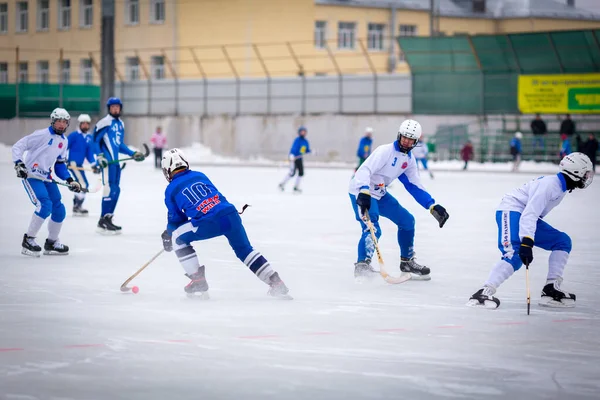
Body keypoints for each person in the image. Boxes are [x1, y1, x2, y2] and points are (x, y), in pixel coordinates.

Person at [468, 153, 594, 309]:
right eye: (585, 173)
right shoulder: (550, 185)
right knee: (514, 254)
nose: (587, 177)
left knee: (562, 241)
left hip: (525, 215)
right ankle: (484, 291)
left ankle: (551, 288)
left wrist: (528, 238)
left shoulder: (561, 187)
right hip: (511, 210)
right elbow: (531, 213)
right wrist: (527, 242)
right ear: (575, 172)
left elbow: (532, 215)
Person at [160, 148, 291, 298]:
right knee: (244, 250)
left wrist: (168, 234)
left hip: (209, 221)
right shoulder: (200, 175)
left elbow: (176, 220)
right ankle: (276, 282)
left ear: (168, 170)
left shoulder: (170, 189)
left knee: (178, 238)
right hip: (230, 214)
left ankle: (198, 279)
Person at [348, 119, 450, 280]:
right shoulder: (385, 151)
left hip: (380, 193)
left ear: (415, 142)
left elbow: (414, 186)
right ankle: (362, 265)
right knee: (372, 227)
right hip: (361, 191)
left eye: (411, 139)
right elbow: (364, 170)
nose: (406, 141)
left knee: (407, 221)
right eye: (404, 137)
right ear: (399, 135)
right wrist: (363, 191)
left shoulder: (408, 160)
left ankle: (407, 262)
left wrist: (432, 205)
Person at [12, 108, 82, 257]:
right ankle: (28, 239)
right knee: (45, 205)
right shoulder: (41, 135)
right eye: (59, 121)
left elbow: (59, 165)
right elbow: (19, 146)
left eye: (64, 122)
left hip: (46, 177)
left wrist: (70, 180)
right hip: (31, 176)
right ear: (53, 121)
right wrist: (19, 163)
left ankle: (51, 242)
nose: (61, 125)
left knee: (59, 208)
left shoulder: (64, 141)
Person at [93, 97, 146, 234]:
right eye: (113, 107)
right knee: (108, 190)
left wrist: (132, 153)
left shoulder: (121, 123)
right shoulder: (104, 122)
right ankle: (102, 220)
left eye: (118, 107)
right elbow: (95, 142)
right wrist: (99, 157)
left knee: (116, 190)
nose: (116, 109)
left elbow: (119, 145)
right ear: (109, 108)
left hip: (116, 163)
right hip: (107, 162)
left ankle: (108, 218)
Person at [67, 114, 97, 216]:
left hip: (80, 165)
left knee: (84, 185)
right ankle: (77, 206)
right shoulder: (74, 135)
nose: (85, 125)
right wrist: (62, 159)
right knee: (83, 185)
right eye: (83, 123)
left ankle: (77, 205)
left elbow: (89, 153)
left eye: (87, 124)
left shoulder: (89, 137)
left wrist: (94, 164)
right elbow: (63, 147)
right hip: (73, 164)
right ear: (79, 124)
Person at [279, 126, 311, 193]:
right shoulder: (297, 140)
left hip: (299, 158)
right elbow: (294, 148)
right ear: (299, 132)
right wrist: (292, 155)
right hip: (293, 158)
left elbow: (305, 150)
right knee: (292, 173)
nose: (303, 133)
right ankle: (282, 184)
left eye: (304, 132)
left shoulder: (305, 141)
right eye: (302, 131)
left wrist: (311, 151)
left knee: (301, 173)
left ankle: (296, 187)